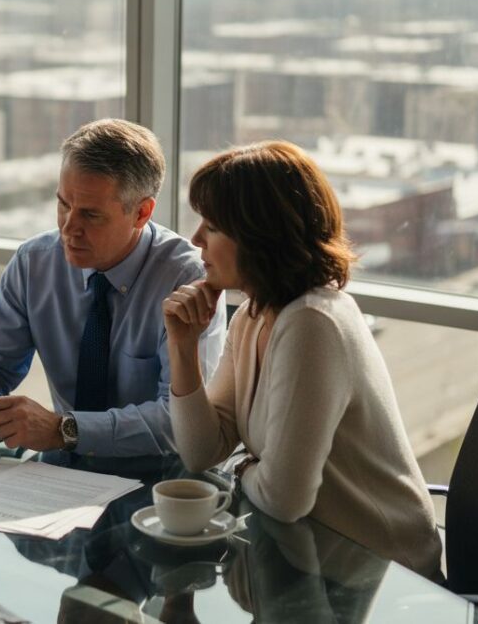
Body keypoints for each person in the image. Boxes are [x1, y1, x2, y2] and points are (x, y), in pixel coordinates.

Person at [163, 140, 441, 577]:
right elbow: (201, 451)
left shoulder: (313, 323)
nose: (196, 238)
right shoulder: (253, 316)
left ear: (259, 237)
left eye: (212, 226)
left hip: (381, 571)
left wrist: (242, 466)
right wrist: (183, 347)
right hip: (312, 556)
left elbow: (283, 499)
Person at [0, 119, 225, 457]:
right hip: (61, 467)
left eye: (91, 215)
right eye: (63, 204)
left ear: (141, 213)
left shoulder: (187, 278)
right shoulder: (34, 263)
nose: (69, 228)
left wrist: (63, 429)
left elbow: (177, 422)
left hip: (158, 477)